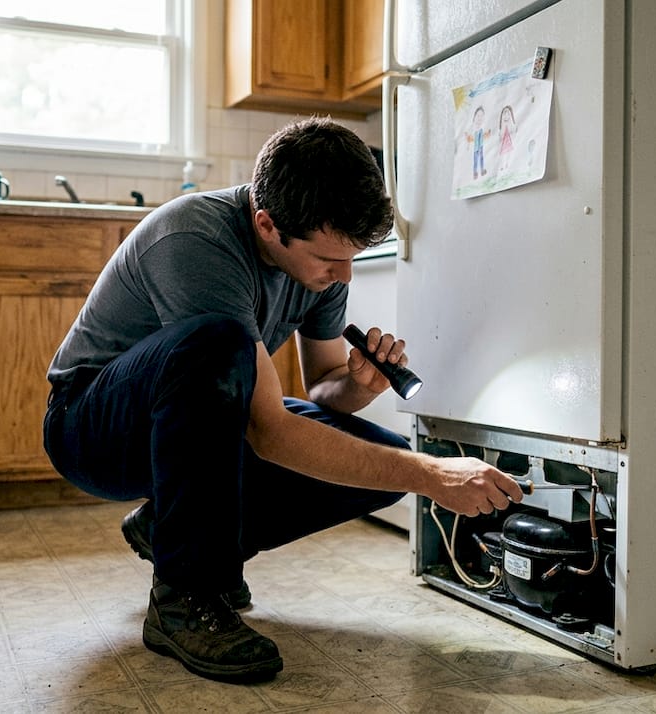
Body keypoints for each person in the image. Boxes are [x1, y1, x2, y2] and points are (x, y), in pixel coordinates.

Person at [43, 117, 523, 683]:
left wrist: (359, 385)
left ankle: (173, 533)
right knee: (217, 344)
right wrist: (432, 473)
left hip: (196, 413)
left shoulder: (319, 266)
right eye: (330, 260)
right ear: (267, 225)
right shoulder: (197, 239)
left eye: (352, 257)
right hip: (90, 429)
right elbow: (268, 429)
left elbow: (321, 387)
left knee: (380, 457)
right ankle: (184, 596)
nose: (344, 274)